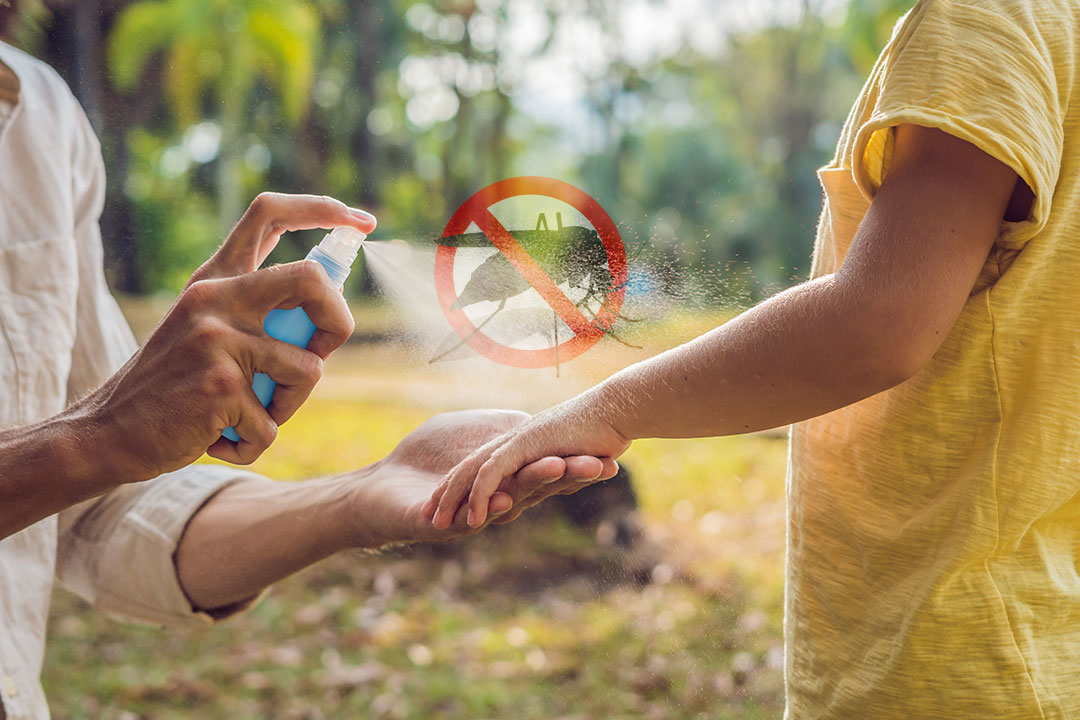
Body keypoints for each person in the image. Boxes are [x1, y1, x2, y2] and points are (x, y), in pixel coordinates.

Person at [427, 0, 1080, 717]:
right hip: (1033, 627)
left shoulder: (987, 15)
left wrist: (606, 409)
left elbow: (880, 322)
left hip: (950, 653)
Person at [0, 40, 616, 720]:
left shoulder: (40, 120)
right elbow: (89, 455)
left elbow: (101, 511)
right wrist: (99, 438)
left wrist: (356, 497)